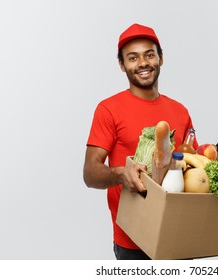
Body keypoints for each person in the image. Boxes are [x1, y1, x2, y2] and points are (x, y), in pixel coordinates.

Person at [83, 23, 198, 260]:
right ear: (122, 65)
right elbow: (90, 173)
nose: (143, 63)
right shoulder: (108, 109)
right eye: (133, 58)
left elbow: (192, 167)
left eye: (149, 55)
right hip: (133, 240)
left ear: (161, 58)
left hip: (179, 236)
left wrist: (217, 165)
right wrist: (121, 173)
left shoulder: (180, 111)